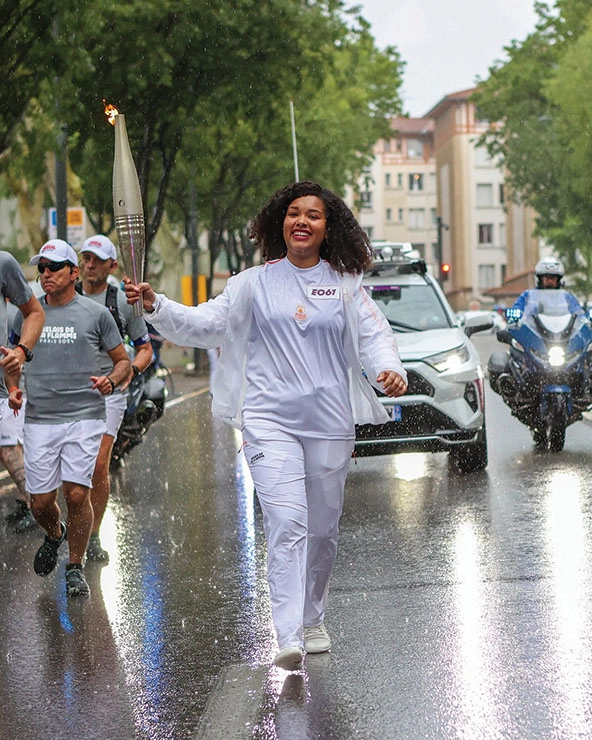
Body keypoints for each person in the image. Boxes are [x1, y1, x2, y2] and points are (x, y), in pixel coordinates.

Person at [124, 181, 407, 670]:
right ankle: (288, 634)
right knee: (288, 521)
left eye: (312, 215)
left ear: (327, 227)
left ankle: (313, 616)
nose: (301, 221)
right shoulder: (252, 283)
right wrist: (157, 306)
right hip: (268, 419)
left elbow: (375, 337)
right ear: (280, 222)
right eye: (293, 213)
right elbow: (205, 324)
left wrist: (391, 371)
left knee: (322, 529)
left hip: (329, 422)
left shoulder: (344, 285)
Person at [8, 239, 131, 598]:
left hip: (85, 416)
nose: (45, 274)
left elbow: (123, 360)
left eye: (54, 267)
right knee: (41, 503)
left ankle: (74, 566)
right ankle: (54, 533)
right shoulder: (27, 314)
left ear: (73, 273)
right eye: (41, 268)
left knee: (77, 494)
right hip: (40, 419)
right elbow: (13, 360)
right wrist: (13, 387)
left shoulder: (97, 315)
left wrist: (112, 379)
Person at [77, 235, 153, 562]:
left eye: (96, 259)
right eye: (85, 258)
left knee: (97, 464)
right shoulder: (61, 296)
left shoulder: (122, 300)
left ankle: (91, 535)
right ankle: (64, 527)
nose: (89, 264)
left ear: (112, 265)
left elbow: (145, 348)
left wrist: (128, 372)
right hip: (68, 393)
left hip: (109, 390)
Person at [0, 252, 45, 531]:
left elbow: (34, 312)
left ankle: (37, 507)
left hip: (4, 388)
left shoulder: (3, 264)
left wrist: (21, 350)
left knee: (9, 449)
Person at [512, 257, 584, 314]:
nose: (549, 281)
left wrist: (585, 320)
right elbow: (516, 311)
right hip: (531, 332)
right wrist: (515, 317)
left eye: (553, 278)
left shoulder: (567, 297)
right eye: (546, 277)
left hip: (563, 331)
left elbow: (579, 315)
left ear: (559, 279)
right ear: (540, 279)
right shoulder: (528, 295)